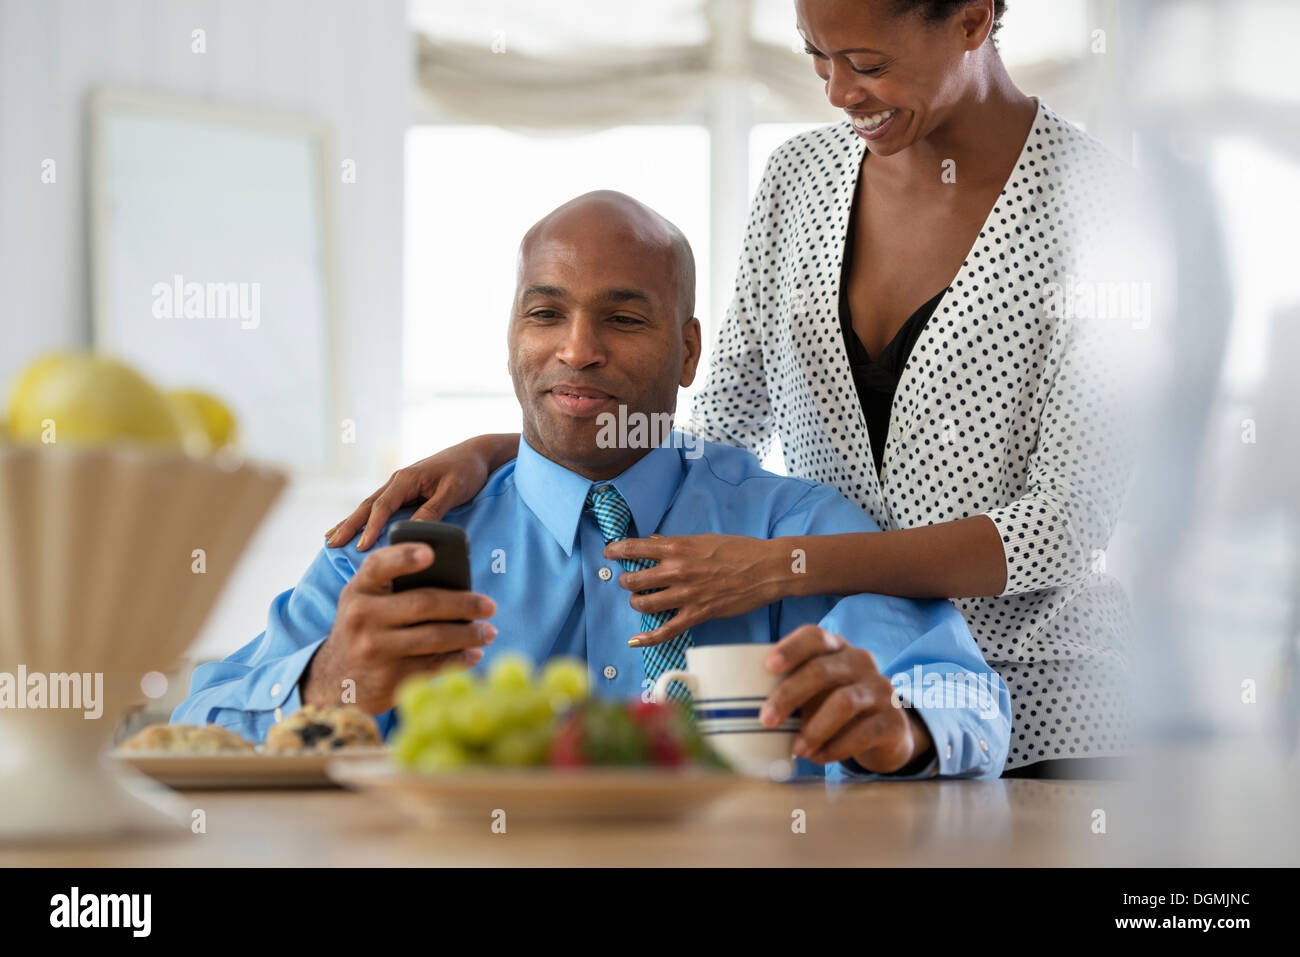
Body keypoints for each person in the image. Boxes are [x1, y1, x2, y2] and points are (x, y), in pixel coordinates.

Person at [323, 0, 1151, 777]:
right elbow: (722, 420)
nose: (837, 92)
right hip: (837, 695)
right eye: (816, 57)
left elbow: (1061, 526)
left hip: (1047, 707)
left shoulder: (1103, 210)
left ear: (973, 17)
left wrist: (786, 565)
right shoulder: (801, 178)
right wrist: (517, 446)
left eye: (865, 61)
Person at [175, 191, 1010, 780]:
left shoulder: (800, 529)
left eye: (622, 317)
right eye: (546, 314)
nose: (577, 350)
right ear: (511, 336)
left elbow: (964, 694)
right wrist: (329, 682)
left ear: (688, 351)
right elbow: (194, 727)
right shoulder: (405, 541)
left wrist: (902, 728)